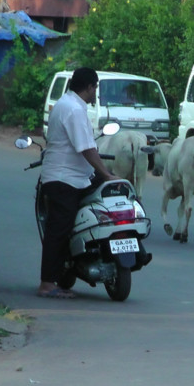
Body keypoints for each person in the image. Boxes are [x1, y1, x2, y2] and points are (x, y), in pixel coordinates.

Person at [38, 67, 119, 299]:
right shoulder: (73, 109)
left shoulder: (67, 104)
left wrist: (105, 175)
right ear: (90, 87)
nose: (95, 93)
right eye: (96, 88)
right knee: (58, 230)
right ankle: (47, 284)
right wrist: (107, 175)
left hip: (73, 177)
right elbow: (87, 149)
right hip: (64, 179)